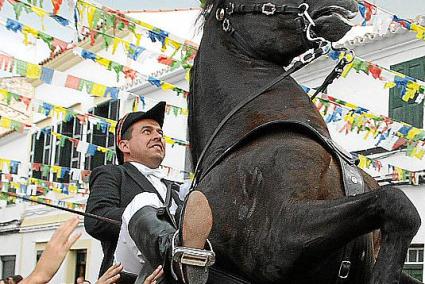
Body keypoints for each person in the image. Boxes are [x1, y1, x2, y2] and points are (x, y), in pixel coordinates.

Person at [85, 102, 214, 283]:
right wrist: (159, 216)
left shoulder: (176, 188)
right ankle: (177, 253)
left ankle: (186, 258)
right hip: (130, 272)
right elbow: (95, 219)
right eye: (147, 131)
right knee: (144, 201)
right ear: (124, 146)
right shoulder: (113, 173)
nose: (157, 137)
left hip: (167, 276)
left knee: (194, 197)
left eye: (160, 133)